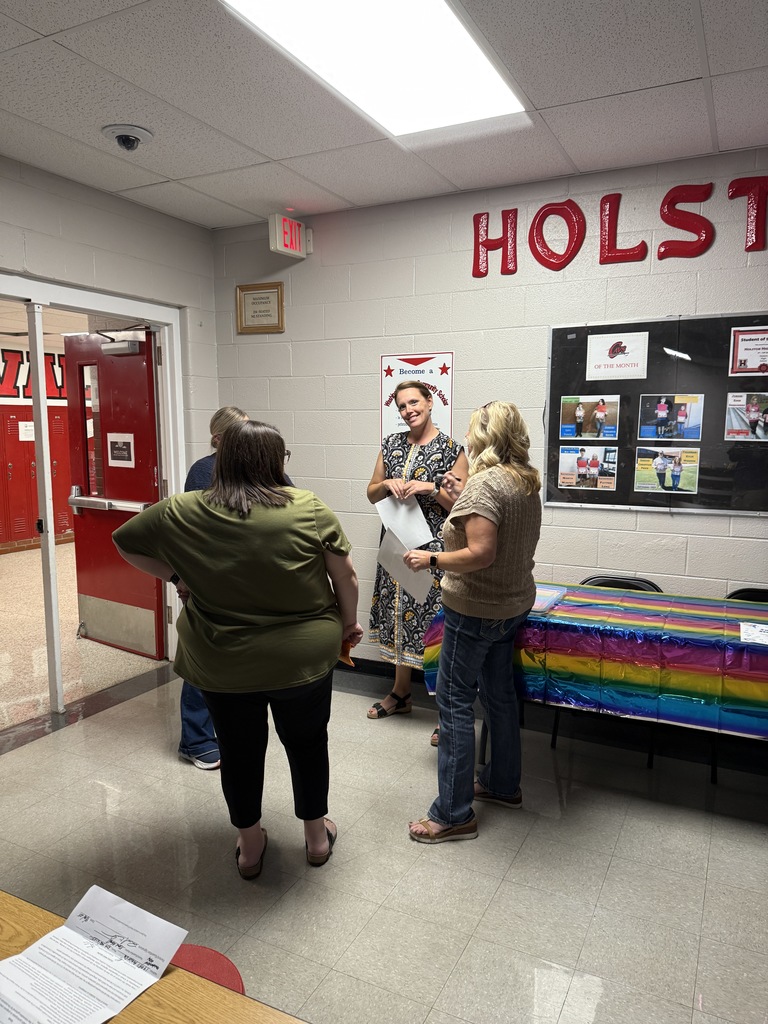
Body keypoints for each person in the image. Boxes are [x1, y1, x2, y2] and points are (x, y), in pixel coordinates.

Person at [113, 420, 363, 879]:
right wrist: (348, 624)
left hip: (221, 658)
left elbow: (125, 541)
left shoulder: (183, 509)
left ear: (222, 460)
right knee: (307, 743)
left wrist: (176, 577)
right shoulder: (307, 508)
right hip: (302, 658)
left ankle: (250, 847)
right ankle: (314, 837)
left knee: (239, 748)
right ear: (274, 462)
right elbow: (344, 576)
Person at [403, 401, 542, 843]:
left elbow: (481, 553)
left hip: (476, 608)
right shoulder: (524, 480)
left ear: (484, 435)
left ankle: (453, 813)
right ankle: (502, 784)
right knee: (499, 696)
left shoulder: (485, 484)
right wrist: (455, 499)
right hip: (512, 603)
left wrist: (432, 558)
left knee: (454, 702)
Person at [367, 380, 468, 746]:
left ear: (430, 402)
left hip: (433, 548)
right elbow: (371, 491)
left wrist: (429, 488)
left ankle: (447, 710)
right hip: (396, 540)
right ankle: (401, 693)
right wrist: (389, 484)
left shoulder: (451, 449)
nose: (409, 410)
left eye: (414, 402)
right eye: (402, 406)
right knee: (397, 612)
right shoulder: (391, 444)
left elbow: (461, 504)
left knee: (434, 623)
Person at [177, 406, 247, 770]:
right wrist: (184, 577)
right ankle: (196, 740)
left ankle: (224, 729)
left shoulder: (257, 465)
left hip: (246, 580)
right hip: (210, 577)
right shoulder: (204, 471)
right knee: (202, 658)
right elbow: (192, 531)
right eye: (238, 433)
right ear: (218, 439)